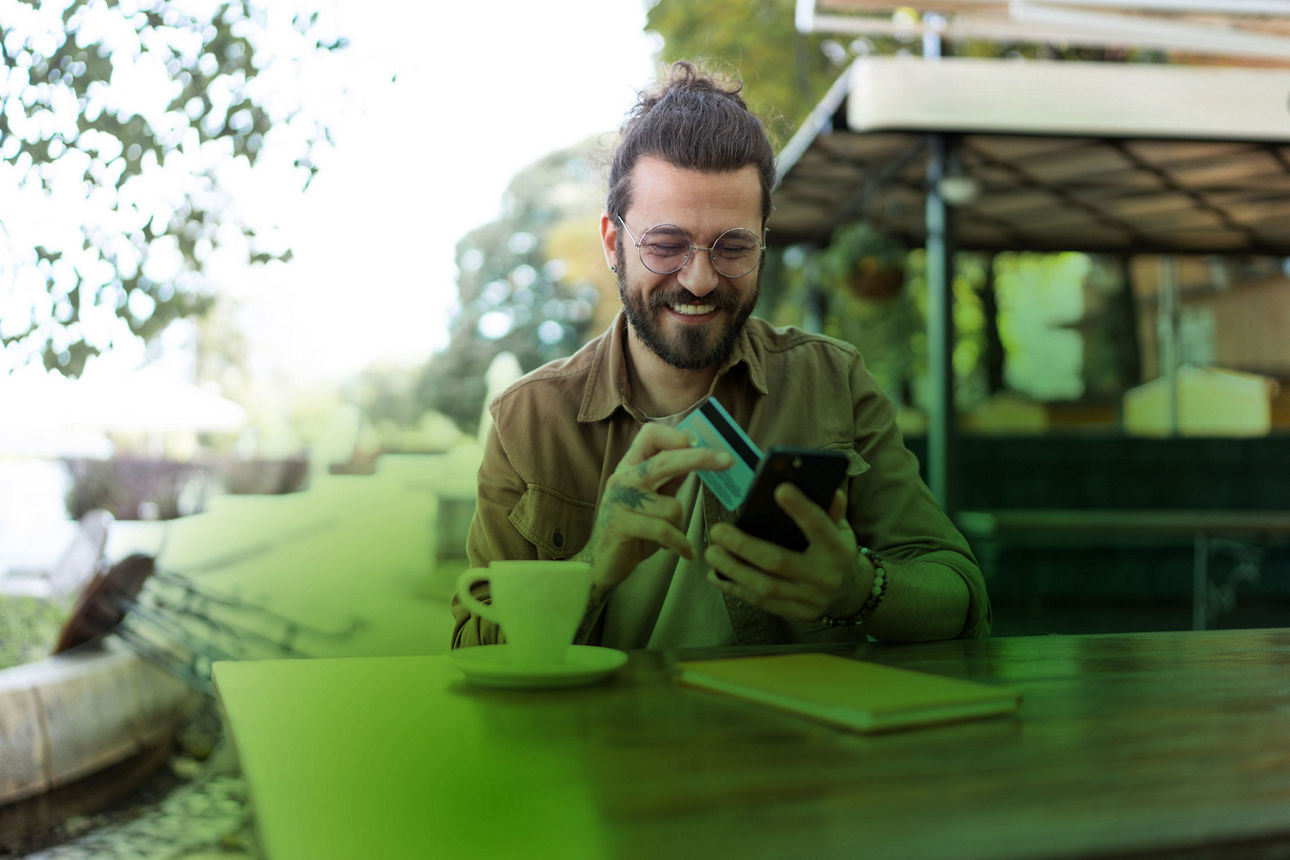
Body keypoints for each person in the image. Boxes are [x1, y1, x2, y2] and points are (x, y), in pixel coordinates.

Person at [452, 61, 990, 650]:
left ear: (763, 239)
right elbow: (475, 654)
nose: (701, 279)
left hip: (790, 740)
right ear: (614, 243)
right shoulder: (528, 420)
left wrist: (858, 588)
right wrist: (592, 567)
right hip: (595, 743)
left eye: (733, 246)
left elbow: (959, 596)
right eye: (665, 245)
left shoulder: (832, 380)